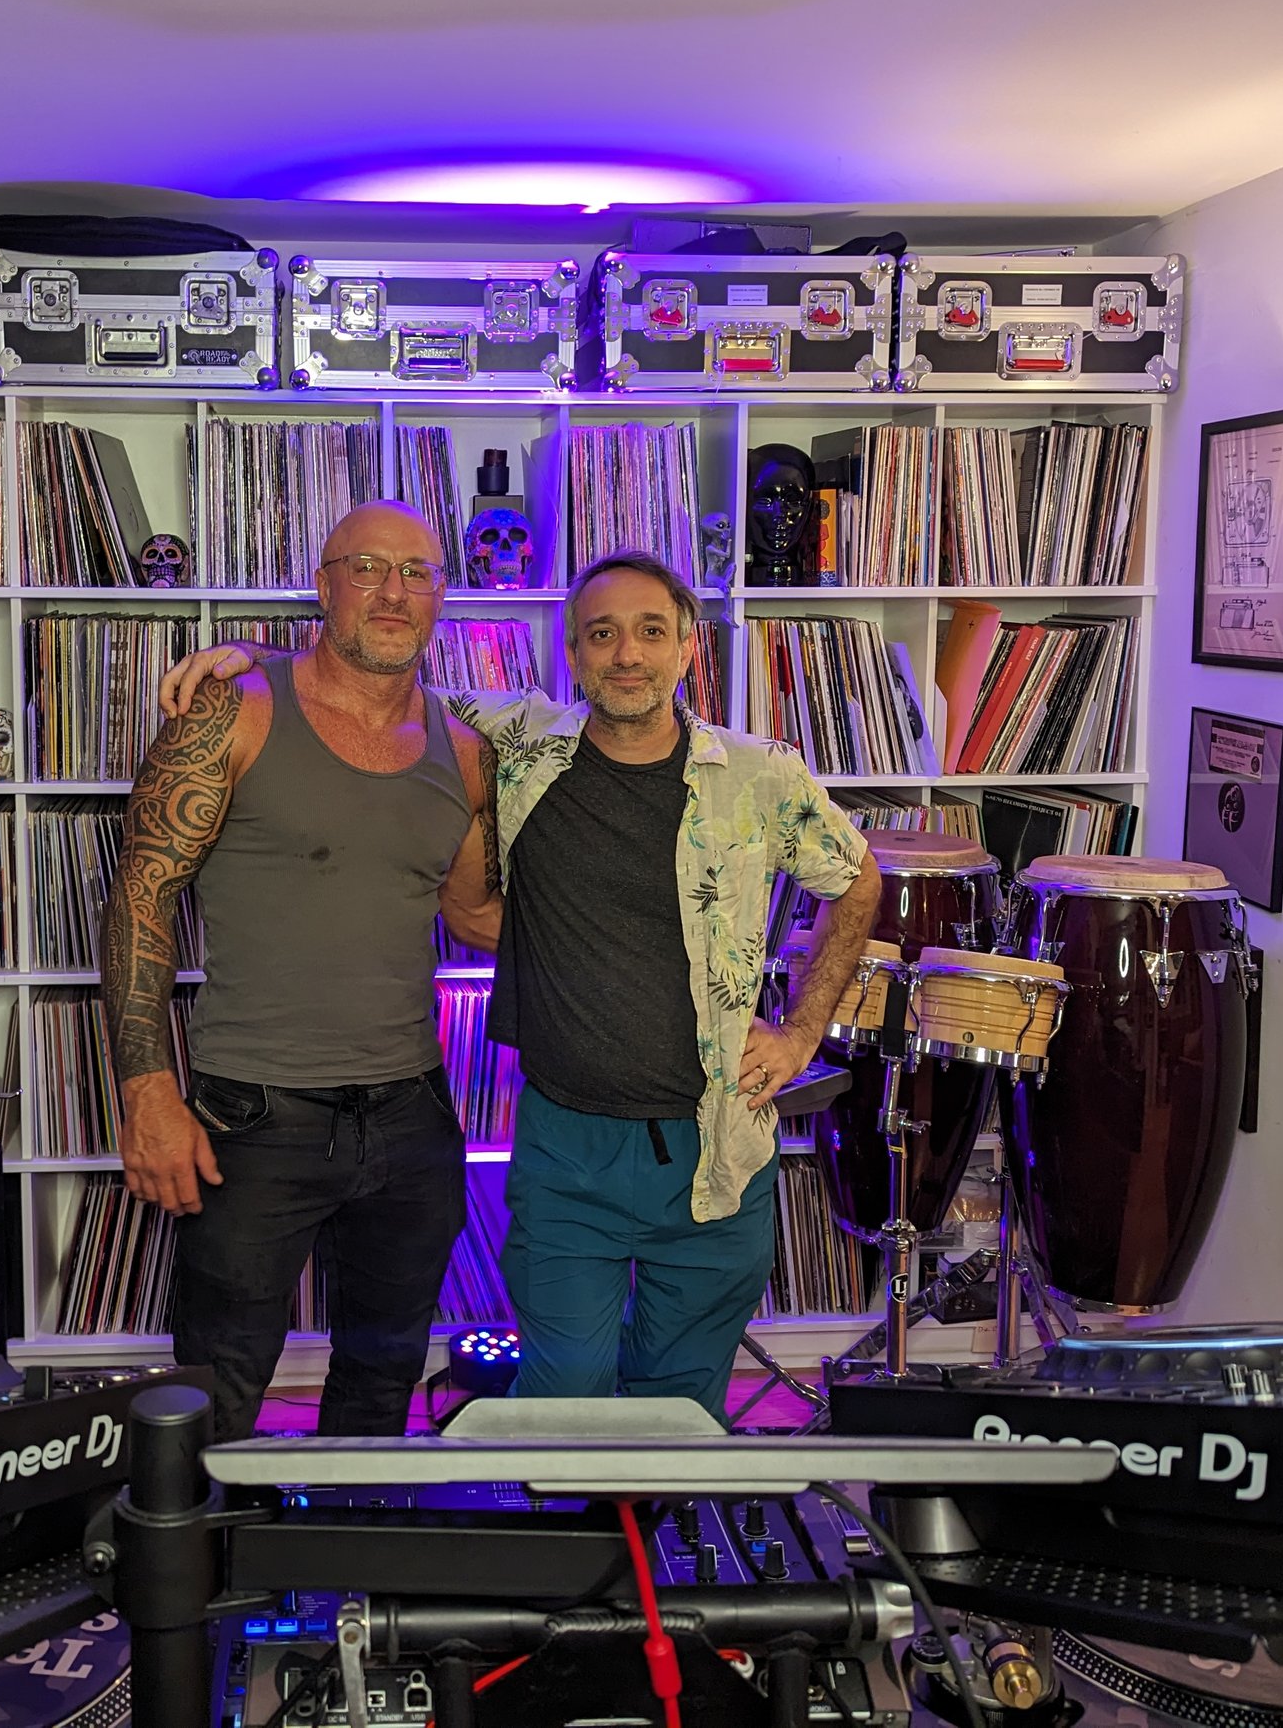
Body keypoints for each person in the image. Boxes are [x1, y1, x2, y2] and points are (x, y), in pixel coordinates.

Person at [162, 550, 880, 1417]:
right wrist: (260, 658)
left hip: (719, 1143)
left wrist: (801, 1031)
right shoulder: (516, 744)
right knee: (563, 1401)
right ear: (571, 653)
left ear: (689, 647)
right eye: (601, 635)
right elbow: (367, 683)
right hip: (565, 1150)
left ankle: (654, 1503)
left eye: (651, 632)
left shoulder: (761, 773)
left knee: (683, 1407)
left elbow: (858, 881)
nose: (627, 654)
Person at [103, 500, 500, 1444]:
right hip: (253, 1116)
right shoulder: (232, 712)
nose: (393, 591)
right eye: (367, 568)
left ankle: (356, 1536)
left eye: (416, 572)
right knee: (217, 1389)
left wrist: (658, 945)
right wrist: (147, 1092)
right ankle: (206, 1543)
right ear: (324, 587)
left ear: (442, 596)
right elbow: (141, 901)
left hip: (411, 1117)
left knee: (383, 1381)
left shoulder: (467, 751)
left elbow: (474, 914)